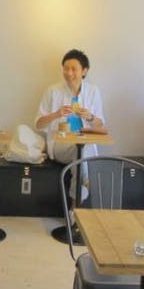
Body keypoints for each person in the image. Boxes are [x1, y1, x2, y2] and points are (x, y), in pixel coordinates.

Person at [35, 50, 105, 202]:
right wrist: (56, 114)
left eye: (74, 69)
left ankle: (75, 205)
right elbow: (39, 124)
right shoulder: (53, 91)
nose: (69, 73)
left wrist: (90, 117)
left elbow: (100, 125)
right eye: (66, 68)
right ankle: (85, 187)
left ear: (84, 71)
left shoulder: (93, 91)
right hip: (60, 145)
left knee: (82, 151)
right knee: (80, 151)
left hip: (86, 145)